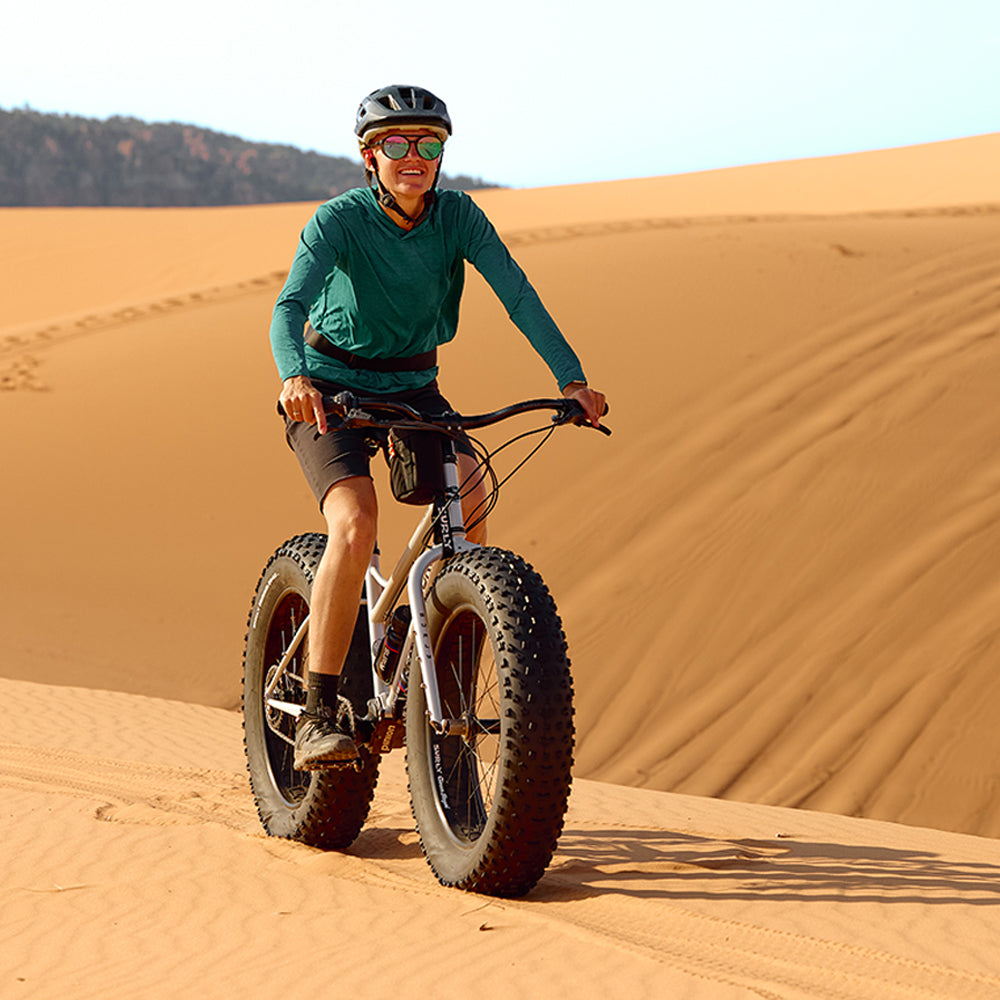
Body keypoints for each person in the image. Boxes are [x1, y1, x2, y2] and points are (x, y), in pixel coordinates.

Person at [269, 84, 607, 770]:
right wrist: (294, 376)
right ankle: (320, 712)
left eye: (429, 144)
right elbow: (288, 305)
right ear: (370, 156)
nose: (414, 156)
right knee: (356, 523)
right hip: (329, 388)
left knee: (473, 490)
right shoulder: (337, 221)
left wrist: (570, 378)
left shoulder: (457, 217)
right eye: (397, 144)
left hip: (414, 385)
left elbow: (517, 292)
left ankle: (435, 649)